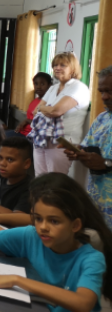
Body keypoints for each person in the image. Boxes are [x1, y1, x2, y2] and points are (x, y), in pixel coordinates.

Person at [0, 173, 111, 312]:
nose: (43, 227)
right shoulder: (31, 235)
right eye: (38, 218)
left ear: (75, 225)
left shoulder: (92, 259)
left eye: (54, 221)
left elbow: (83, 303)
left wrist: (16, 280)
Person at [62, 65, 112, 228]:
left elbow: (103, 162)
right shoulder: (102, 119)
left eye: (109, 91)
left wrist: (105, 163)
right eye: (101, 92)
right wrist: (79, 152)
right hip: (98, 204)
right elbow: (88, 147)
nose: (104, 97)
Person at [28, 53, 90, 176]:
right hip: (42, 137)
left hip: (62, 140)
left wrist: (44, 108)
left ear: (72, 68)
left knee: (55, 180)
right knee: (40, 179)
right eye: (55, 65)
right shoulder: (53, 88)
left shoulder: (79, 87)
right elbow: (35, 111)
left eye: (63, 65)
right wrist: (47, 109)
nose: (57, 68)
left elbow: (56, 111)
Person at [14, 72, 53, 136]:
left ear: (49, 85)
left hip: (33, 136)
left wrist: (27, 121)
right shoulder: (34, 101)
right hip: (23, 132)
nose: (38, 87)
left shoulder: (49, 103)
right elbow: (29, 117)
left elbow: (43, 124)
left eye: (42, 84)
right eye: (36, 84)